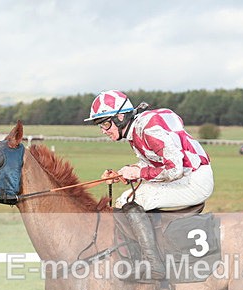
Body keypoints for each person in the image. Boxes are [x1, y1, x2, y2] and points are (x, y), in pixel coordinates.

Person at [85, 90, 214, 279]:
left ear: (120, 117)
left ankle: (154, 264)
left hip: (194, 180)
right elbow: (153, 164)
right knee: (125, 199)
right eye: (100, 125)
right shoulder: (137, 129)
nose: (103, 130)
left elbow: (174, 169)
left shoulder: (148, 129)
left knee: (132, 201)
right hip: (187, 175)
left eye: (105, 124)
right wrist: (122, 173)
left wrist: (138, 173)